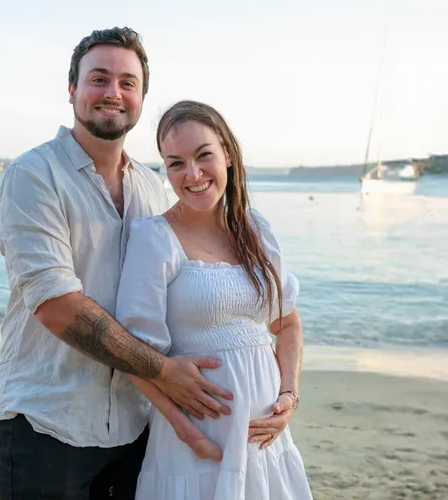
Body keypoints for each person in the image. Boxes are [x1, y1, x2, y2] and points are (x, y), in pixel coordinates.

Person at [0, 28, 233, 500]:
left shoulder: (153, 187)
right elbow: (58, 307)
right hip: (48, 421)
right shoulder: (33, 176)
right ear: (72, 90)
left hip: (136, 425)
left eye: (128, 82)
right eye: (98, 79)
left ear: (142, 97)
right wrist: (165, 371)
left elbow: (174, 293)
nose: (113, 93)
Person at [115, 99, 314, 499]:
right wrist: (189, 433)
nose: (192, 174)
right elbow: (131, 353)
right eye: (176, 163)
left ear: (227, 152)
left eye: (204, 155)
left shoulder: (256, 229)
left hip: (265, 442)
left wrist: (289, 397)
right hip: (198, 442)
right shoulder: (155, 237)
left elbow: (286, 325)